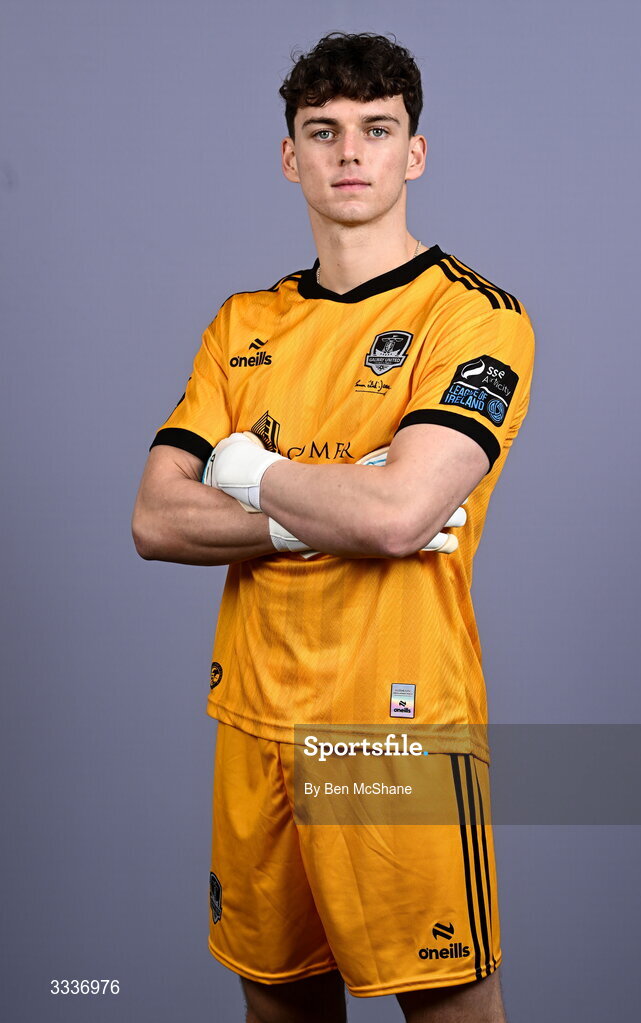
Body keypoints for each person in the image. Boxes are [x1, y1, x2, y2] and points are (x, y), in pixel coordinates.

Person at [132, 30, 535, 1023]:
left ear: (415, 152)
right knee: (278, 1007)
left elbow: (401, 515)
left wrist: (248, 472)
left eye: (375, 129)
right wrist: (306, 513)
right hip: (253, 722)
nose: (349, 153)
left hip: (391, 732)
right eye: (323, 132)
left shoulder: (474, 318)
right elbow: (153, 515)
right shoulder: (244, 323)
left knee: (447, 1011)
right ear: (290, 157)